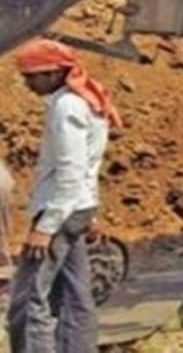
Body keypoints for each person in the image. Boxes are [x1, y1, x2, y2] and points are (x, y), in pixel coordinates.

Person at [8, 38, 114, 353]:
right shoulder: (81, 101)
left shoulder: (68, 107)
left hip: (60, 210)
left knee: (29, 298)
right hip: (76, 208)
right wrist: (89, 213)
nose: (27, 84)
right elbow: (87, 167)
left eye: (32, 77)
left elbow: (71, 169)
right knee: (74, 293)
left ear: (54, 73)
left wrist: (46, 227)